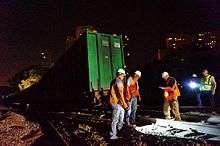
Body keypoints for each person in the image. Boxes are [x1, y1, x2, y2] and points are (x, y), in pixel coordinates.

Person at [109, 68, 128, 140]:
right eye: (123, 76)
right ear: (120, 74)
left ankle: (119, 131)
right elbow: (120, 94)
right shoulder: (118, 81)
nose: (123, 77)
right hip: (115, 102)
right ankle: (113, 135)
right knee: (115, 118)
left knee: (121, 115)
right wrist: (124, 103)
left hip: (117, 102)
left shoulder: (114, 81)